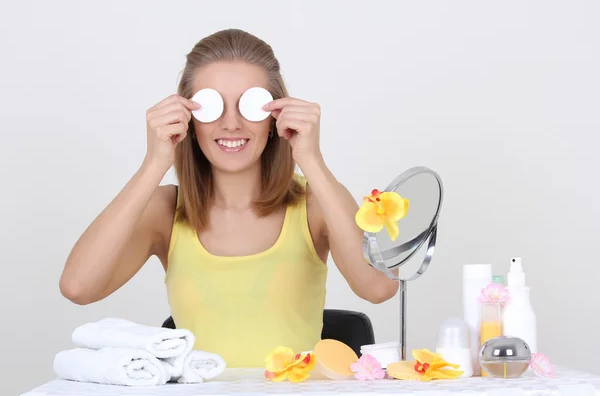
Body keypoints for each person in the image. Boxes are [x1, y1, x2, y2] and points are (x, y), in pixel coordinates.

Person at [59, 29, 398, 367]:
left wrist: (311, 158)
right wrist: (155, 162)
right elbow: (78, 288)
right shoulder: (166, 211)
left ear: (274, 115)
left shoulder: (313, 205)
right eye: (212, 106)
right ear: (189, 119)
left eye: (249, 105)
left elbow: (379, 288)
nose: (232, 123)